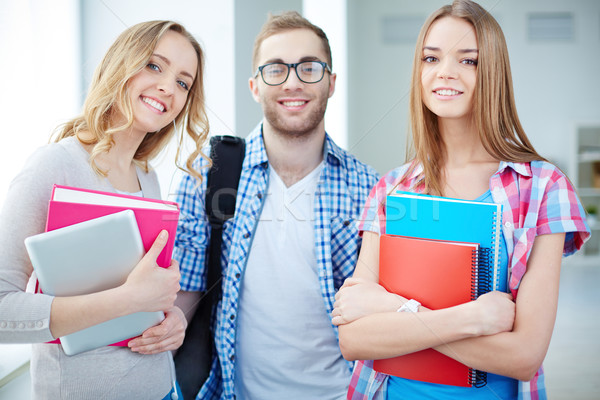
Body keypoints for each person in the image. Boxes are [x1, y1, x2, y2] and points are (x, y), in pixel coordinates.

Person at [332, 1, 591, 399]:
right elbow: (354, 340)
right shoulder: (392, 188)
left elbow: (524, 355)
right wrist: (470, 319)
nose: (445, 72)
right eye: (430, 58)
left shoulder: (543, 188)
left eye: (467, 61)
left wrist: (396, 316)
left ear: (493, 74)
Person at [174, 11, 380, 400]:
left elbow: (376, 313)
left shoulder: (369, 187)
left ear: (331, 82)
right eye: (275, 70)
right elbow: (182, 301)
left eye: (309, 68)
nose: (292, 82)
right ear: (254, 86)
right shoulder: (208, 174)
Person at [0, 20, 210, 399]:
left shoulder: (147, 178)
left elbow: (148, 297)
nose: (168, 87)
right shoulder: (53, 166)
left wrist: (172, 319)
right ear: (121, 65)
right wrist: (128, 300)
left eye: (183, 82)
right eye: (154, 65)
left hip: (164, 389)